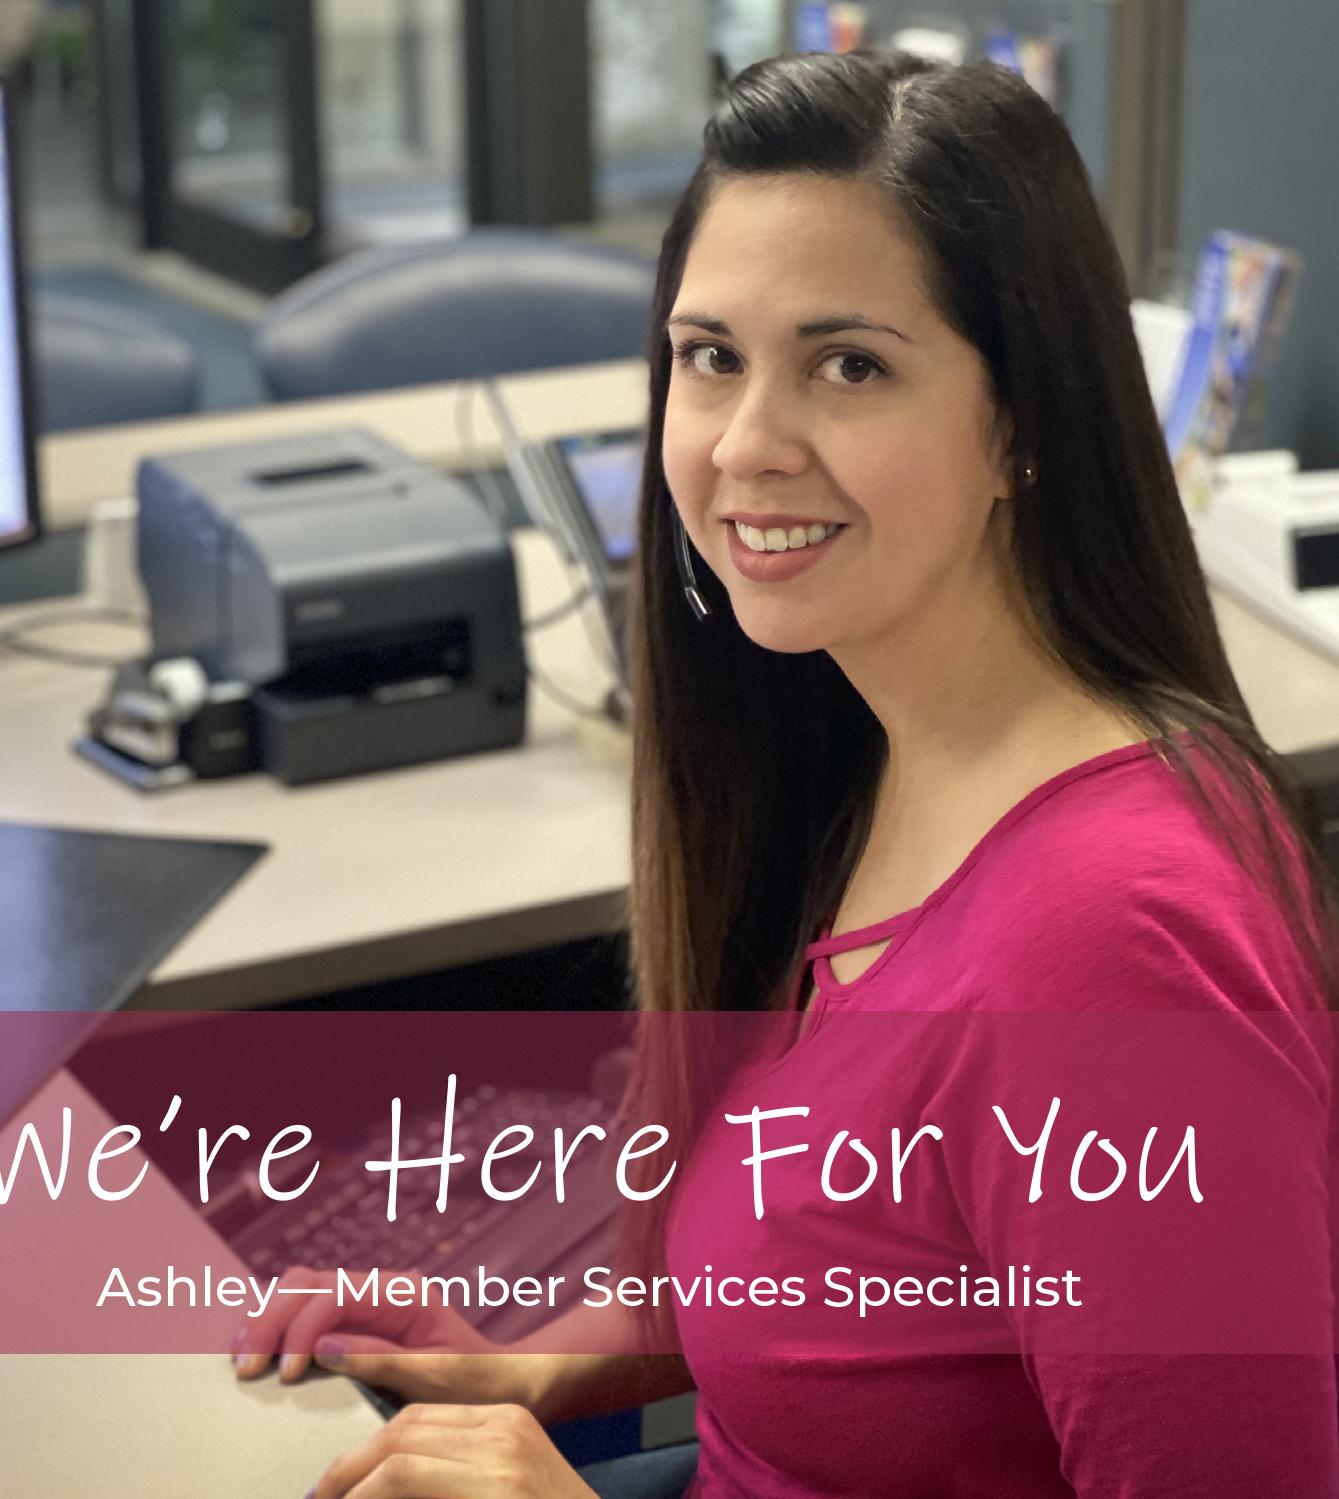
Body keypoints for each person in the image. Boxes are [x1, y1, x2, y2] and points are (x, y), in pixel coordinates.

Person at [228, 50, 1339, 1498]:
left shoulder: (1108, 951)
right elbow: (866, 1285)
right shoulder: (869, 759)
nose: (748, 448)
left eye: (851, 364)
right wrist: (544, 1365)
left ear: (1022, 423)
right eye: (711, 358)